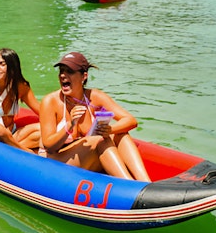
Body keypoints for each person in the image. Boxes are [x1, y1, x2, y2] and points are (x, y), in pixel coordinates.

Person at [38, 51, 151, 181]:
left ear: (84, 76)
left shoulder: (94, 97)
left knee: (121, 134)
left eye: (69, 71)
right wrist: (70, 125)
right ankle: (130, 185)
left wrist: (110, 130)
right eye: (61, 71)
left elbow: (130, 121)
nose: (63, 75)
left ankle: (145, 182)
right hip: (56, 161)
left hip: (87, 159)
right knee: (97, 140)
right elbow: (49, 146)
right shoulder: (51, 101)